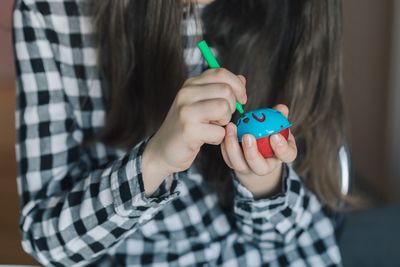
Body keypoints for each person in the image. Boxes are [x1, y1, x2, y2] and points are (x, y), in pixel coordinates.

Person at [13, 0, 349, 265]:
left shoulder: (295, 12)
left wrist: (263, 182)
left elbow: (288, 235)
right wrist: (155, 161)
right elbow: (47, 242)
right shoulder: (52, 11)